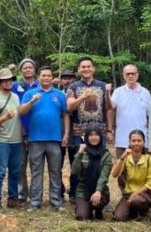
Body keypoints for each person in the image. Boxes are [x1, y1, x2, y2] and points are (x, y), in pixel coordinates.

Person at [20, 66, 70, 211]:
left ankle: (56, 201)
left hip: (55, 139)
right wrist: (32, 102)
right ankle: (35, 201)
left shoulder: (60, 94)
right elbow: (21, 111)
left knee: (55, 171)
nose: (46, 78)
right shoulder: (31, 93)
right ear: (38, 77)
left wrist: (66, 134)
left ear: (52, 77)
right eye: (43, 75)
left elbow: (66, 115)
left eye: (49, 75)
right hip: (35, 139)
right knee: (36, 171)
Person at [67, 57, 113, 201]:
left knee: (99, 163)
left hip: (98, 132)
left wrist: (109, 130)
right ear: (79, 69)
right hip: (78, 132)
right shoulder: (73, 87)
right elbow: (70, 107)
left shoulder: (102, 86)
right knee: (77, 163)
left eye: (89, 66)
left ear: (93, 68)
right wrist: (82, 97)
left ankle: (101, 195)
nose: (86, 69)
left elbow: (109, 109)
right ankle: (75, 195)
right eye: (83, 67)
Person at [0, 68, 23, 210]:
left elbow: (18, 117)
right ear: (0, 83)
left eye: (10, 80)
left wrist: (23, 134)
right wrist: (5, 117)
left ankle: (12, 199)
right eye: (5, 80)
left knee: (15, 171)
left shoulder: (15, 97)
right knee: (0, 171)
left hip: (17, 140)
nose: (8, 82)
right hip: (2, 141)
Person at [111, 130, 151, 221]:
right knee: (119, 217)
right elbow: (114, 174)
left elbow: (150, 183)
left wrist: (134, 195)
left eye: (139, 141)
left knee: (137, 201)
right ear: (129, 142)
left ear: (144, 142)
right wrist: (122, 157)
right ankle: (133, 212)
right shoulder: (126, 158)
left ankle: (144, 212)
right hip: (128, 194)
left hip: (144, 194)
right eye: (133, 140)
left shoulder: (149, 159)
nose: (136, 143)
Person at [70, 126, 112, 221]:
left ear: (101, 137)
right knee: (82, 217)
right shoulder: (82, 153)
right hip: (83, 190)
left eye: (96, 135)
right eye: (91, 135)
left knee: (97, 203)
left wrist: (98, 191)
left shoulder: (106, 155)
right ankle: (84, 208)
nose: (94, 137)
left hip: (100, 190)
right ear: (87, 137)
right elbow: (74, 171)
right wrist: (80, 153)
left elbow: (104, 177)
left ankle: (98, 210)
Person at [109, 63, 150, 157]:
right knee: (122, 169)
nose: (130, 76)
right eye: (128, 74)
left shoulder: (145, 92)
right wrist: (110, 130)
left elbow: (150, 116)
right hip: (122, 140)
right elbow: (110, 108)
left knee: (142, 169)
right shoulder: (118, 92)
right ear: (124, 76)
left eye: (133, 73)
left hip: (141, 140)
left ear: (137, 75)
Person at [13, 58, 39, 204]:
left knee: (36, 165)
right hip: (20, 130)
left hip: (37, 131)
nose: (28, 69)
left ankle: (35, 194)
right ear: (21, 70)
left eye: (30, 67)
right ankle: (22, 193)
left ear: (35, 70)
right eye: (25, 68)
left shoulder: (41, 85)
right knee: (20, 164)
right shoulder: (15, 86)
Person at [57, 68, 78, 201]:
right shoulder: (57, 94)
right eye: (64, 78)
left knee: (75, 164)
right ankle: (58, 191)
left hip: (75, 134)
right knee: (57, 164)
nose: (67, 80)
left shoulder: (78, 92)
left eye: (70, 78)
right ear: (60, 80)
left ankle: (74, 192)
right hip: (58, 133)